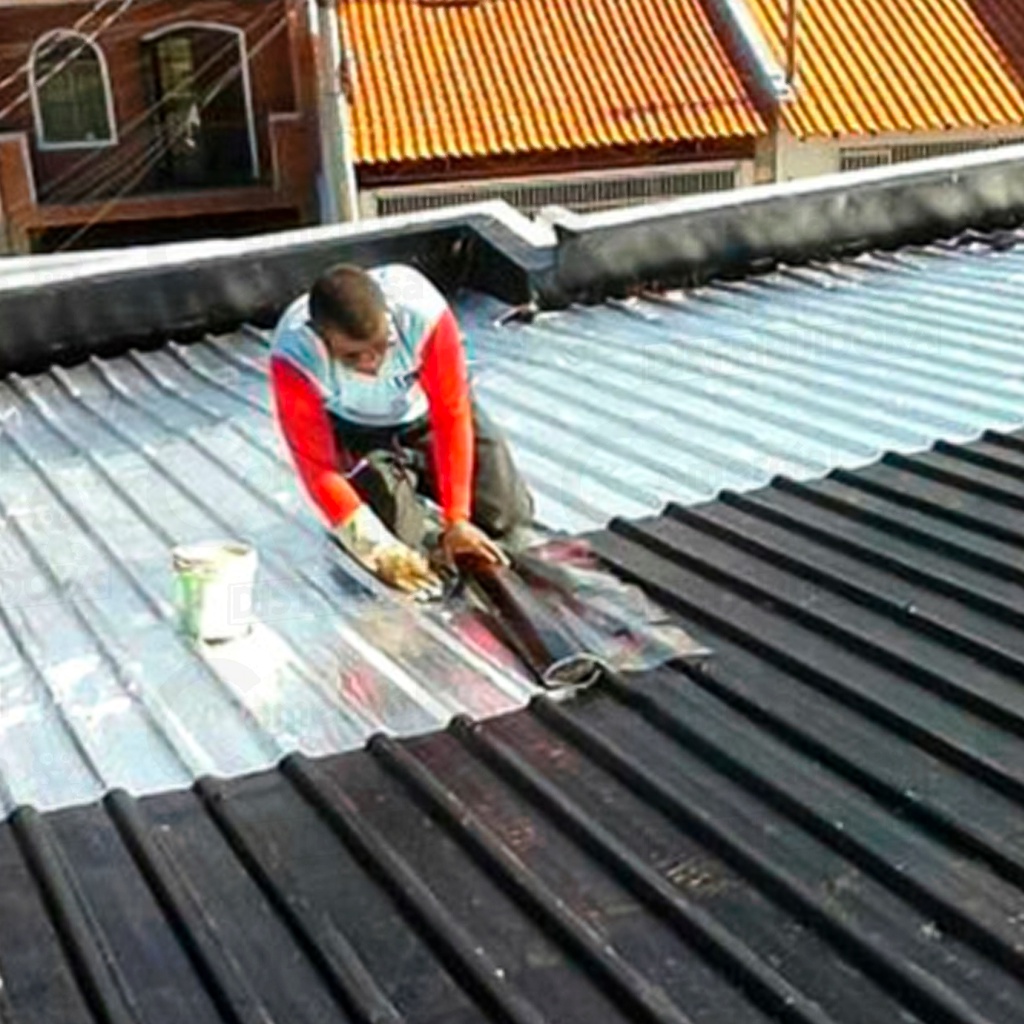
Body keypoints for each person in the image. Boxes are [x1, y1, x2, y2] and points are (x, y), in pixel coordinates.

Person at [269, 262, 535, 593]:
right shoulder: (294, 358)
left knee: (508, 515)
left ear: (388, 316)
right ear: (320, 336)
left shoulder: (423, 315)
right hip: (359, 432)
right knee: (406, 547)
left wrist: (458, 518)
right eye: (352, 356)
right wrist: (376, 549)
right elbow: (318, 468)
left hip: (428, 416)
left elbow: (451, 414)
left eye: (381, 346)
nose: (371, 362)